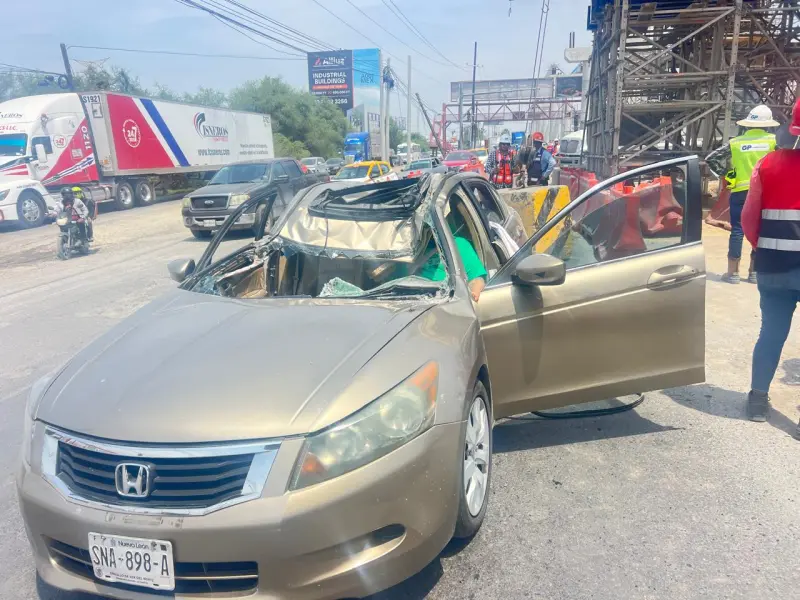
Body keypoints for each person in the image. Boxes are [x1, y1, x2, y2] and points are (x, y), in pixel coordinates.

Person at [740, 98, 800, 436]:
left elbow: (750, 218)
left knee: (771, 334)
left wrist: (763, 248)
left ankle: (758, 401)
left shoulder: (768, 164)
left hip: (773, 266)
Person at [708, 104, 778, 284]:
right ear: (768, 124)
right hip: (765, 194)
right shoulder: (773, 141)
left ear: (748, 124)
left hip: (740, 191)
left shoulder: (736, 142)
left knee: (737, 230)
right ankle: (754, 273)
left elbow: (711, 158)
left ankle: (733, 274)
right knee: (761, 231)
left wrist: (725, 173)